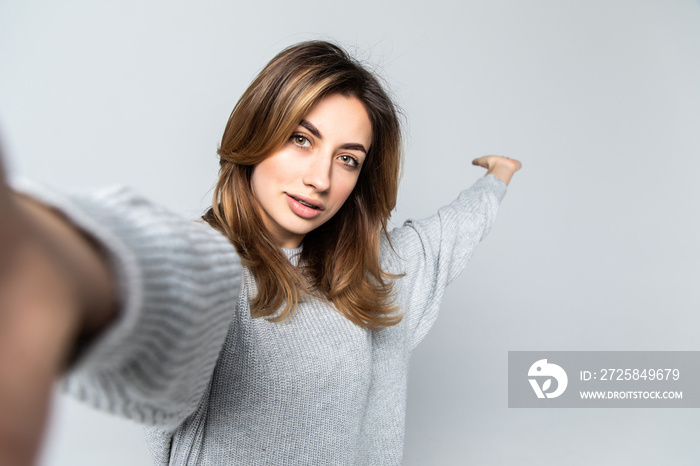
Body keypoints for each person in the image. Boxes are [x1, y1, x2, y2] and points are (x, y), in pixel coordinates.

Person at [0, 41, 521, 465]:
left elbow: (449, 234)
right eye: (300, 139)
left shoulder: (380, 273)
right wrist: (47, 254)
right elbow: (144, 271)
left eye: (347, 158)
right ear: (257, 133)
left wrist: (496, 178)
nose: (320, 179)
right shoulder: (214, 270)